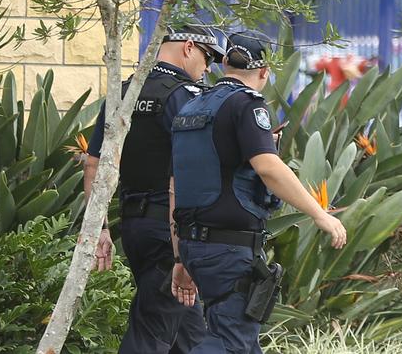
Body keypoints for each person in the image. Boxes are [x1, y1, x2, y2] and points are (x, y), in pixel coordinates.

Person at [171, 31, 347, 353]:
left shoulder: (192, 107)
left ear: (224, 63)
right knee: (231, 343)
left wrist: (181, 257)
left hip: (194, 245)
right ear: (265, 71)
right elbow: (268, 167)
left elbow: (176, 185)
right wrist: (320, 215)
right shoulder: (246, 105)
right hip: (229, 249)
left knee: (243, 342)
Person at [84, 25, 226, 353]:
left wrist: (99, 228)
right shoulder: (183, 96)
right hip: (170, 231)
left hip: (135, 227)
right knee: (151, 330)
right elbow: (199, 166)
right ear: (188, 47)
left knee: (190, 333)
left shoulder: (123, 93)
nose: (207, 68)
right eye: (207, 57)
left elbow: (94, 164)